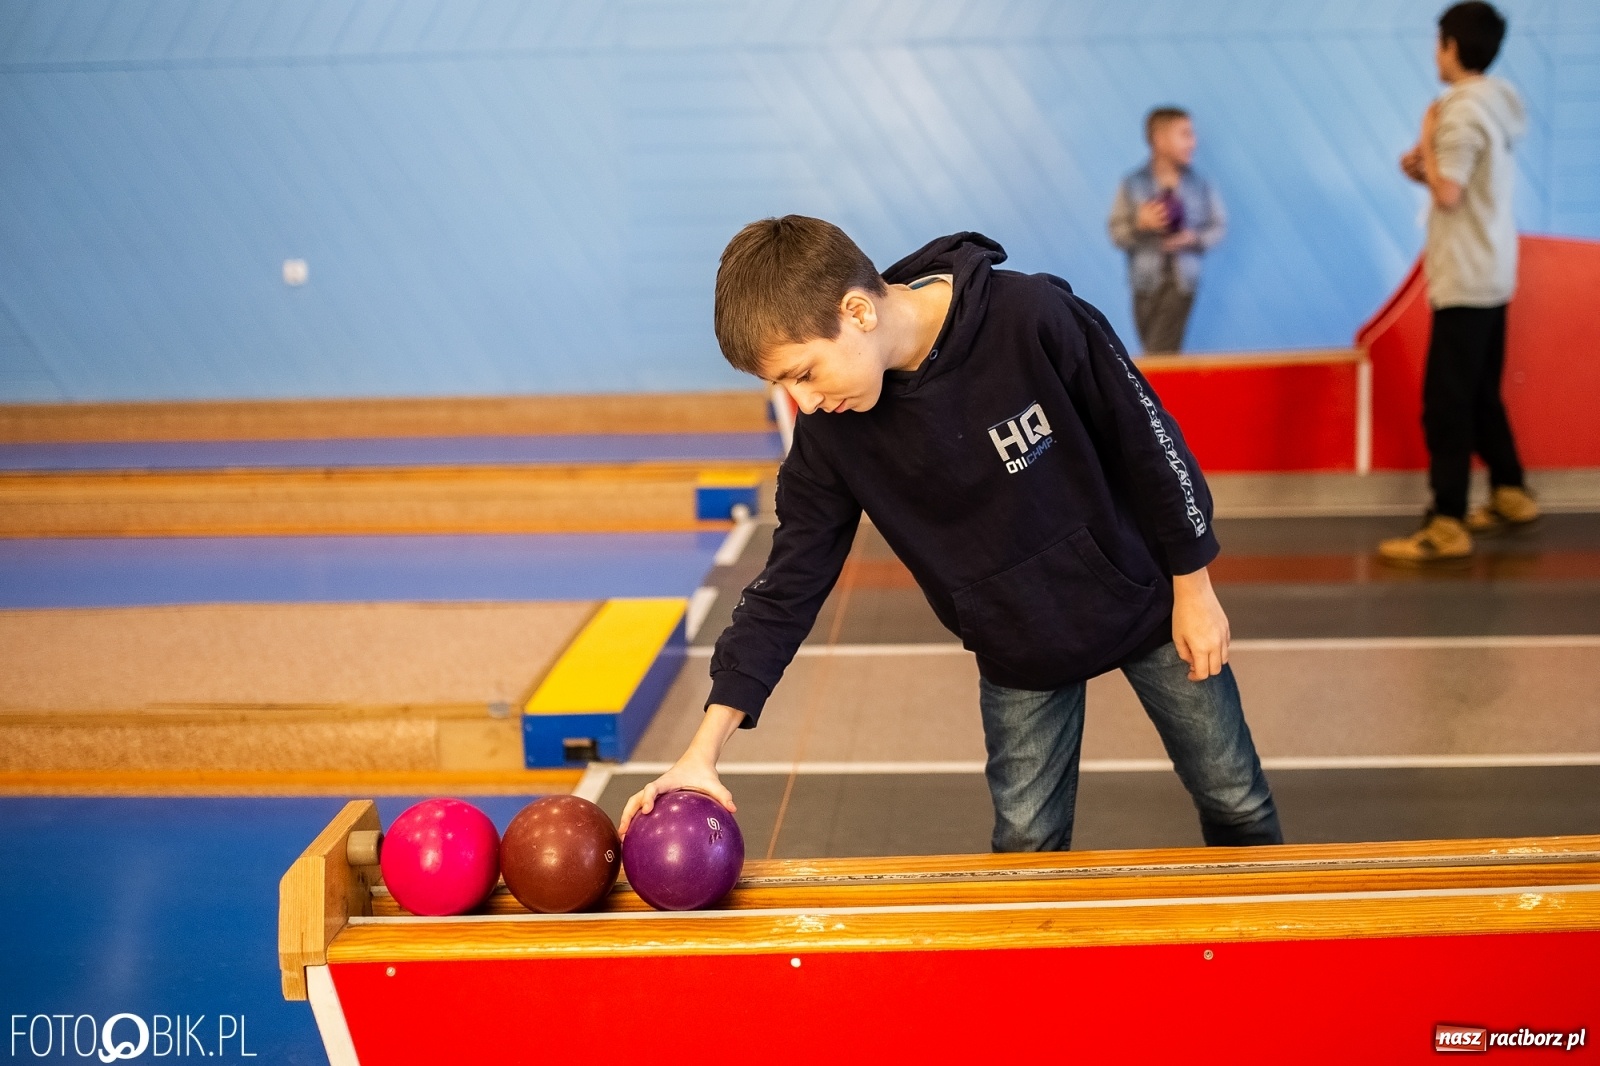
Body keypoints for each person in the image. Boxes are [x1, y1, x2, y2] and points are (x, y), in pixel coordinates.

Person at [619, 216, 1282, 854]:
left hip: (1151, 605)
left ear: (857, 313)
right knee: (1025, 846)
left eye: (804, 373)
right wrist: (701, 750)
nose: (807, 403)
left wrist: (1192, 585)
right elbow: (785, 587)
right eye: (783, 386)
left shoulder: (1032, 317)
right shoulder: (831, 439)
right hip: (1018, 646)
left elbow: (1150, 441)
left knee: (1236, 801)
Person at [1379, 1, 1537, 565]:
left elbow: (1450, 193)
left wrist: (1427, 135)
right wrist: (1427, 161)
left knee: (1446, 401)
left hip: (1465, 275)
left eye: (1438, 41)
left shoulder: (1459, 111)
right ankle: (1510, 490)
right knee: (1479, 391)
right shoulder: (1495, 104)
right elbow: (1459, 181)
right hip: (1492, 266)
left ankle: (1445, 522)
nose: (1435, 52)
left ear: (1451, 46)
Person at [1107, 107, 1226, 354]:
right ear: (1159, 140)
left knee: (1161, 351)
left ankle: (1152, 391)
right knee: (1156, 350)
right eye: (1185, 134)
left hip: (1182, 282)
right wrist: (1140, 224)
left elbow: (1217, 226)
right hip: (1144, 282)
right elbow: (1116, 232)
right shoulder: (1133, 183)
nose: (1193, 142)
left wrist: (1193, 239)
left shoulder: (1199, 184)